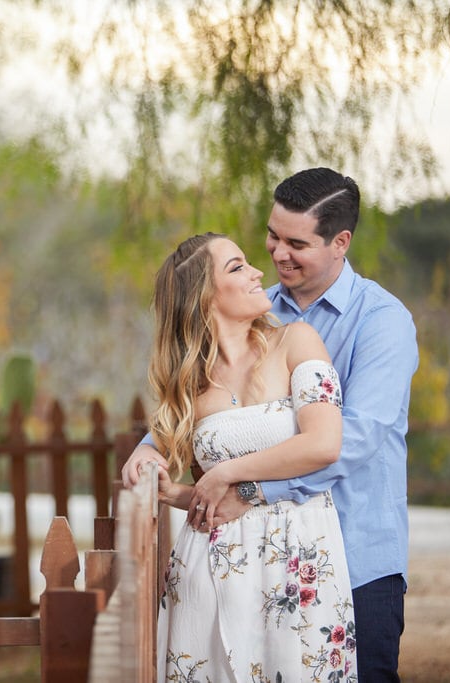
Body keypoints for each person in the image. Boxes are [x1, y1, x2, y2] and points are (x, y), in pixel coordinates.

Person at [124, 168, 418, 682]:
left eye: (296, 243)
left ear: (339, 242)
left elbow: (355, 439)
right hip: (241, 565)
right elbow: (206, 405)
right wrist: (149, 448)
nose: (276, 255)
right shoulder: (258, 311)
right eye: (272, 236)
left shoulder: (380, 321)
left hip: (353, 551)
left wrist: (252, 488)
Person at [142, 231, 356, 681]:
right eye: (237, 267)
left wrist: (228, 473)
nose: (260, 271)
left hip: (300, 564)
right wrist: (172, 490)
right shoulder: (189, 388)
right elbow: (206, 496)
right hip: (210, 568)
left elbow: (323, 443)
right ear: (204, 295)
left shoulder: (296, 342)